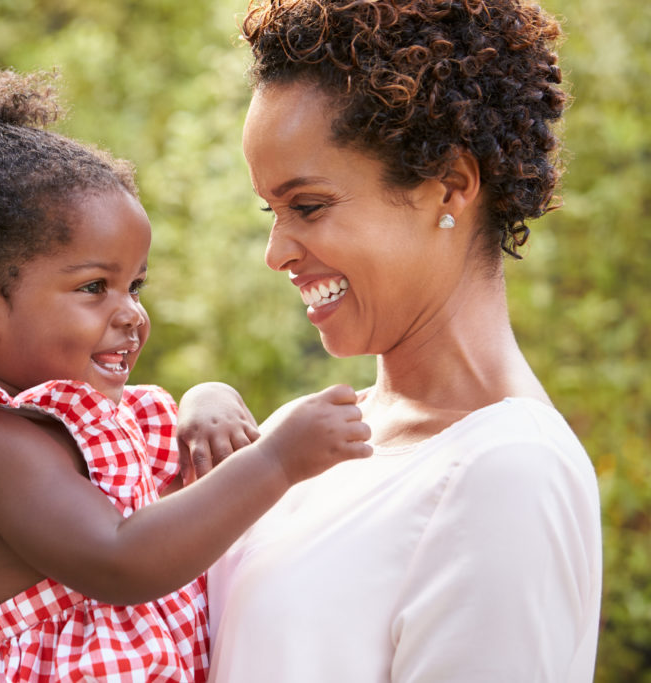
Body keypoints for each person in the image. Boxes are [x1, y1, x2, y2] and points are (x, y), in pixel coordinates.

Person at [0, 52, 372, 683]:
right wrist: (276, 461)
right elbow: (123, 559)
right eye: (94, 287)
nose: (130, 313)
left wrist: (206, 401)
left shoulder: (108, 422)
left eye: (136, 286)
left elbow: (179, 509)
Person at [208, 1, 602, 681]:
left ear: (449, 187)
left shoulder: (508, 474)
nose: (275, 252)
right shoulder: (306, 437)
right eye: (270, 211)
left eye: (308, 205)